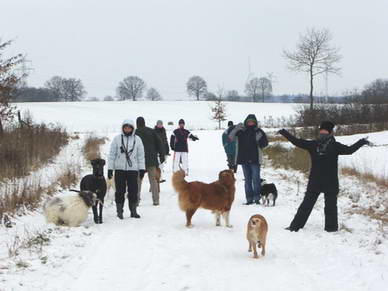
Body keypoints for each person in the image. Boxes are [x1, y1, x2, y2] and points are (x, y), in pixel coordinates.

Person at [278, 121, 370, 232]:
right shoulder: (313, 145)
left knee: (330, 207)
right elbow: (297, 142)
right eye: (321, 130)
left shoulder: (335, 146)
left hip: (330, 182)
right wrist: (285, 133)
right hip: (315, 181)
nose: (322, 132)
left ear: (330, 132)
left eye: (325, 131)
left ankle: (331, 229)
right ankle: (295, 226)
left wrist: (361, 142)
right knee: (306, 205)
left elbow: (349, 150)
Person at [108, 119, 145, 219]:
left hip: (133, 170)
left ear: (132, 128)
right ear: (123, 128)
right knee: (120, 191)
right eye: (125, 127)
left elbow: (141, 156)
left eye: (129, 127)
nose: (127, 129)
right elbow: (112, 155)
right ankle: (119, 212)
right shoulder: (117, 139)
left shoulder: (137, 140)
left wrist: (142, 169)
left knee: (133, 191)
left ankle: (133, 211)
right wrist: (110, 169)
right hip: (119, 169)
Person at [229, 114, 268, 205]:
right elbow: (230, 138)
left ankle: (257, 198)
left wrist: (259, 139)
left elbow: (265, 144)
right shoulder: (241, 131)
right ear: (246, 121)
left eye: (252, 121)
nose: (250, 123)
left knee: (256, 179)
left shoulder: (259, 131)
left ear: (255, 122)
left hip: (255, 159)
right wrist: (235, 128)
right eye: (249, 121)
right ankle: (249, 199)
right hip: (243, 159)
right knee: (247, 180)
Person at [135, 117, 165, 206]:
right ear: (144, 122)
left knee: (138, 181)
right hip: (152, 160)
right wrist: (162, 155)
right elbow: (159, 143)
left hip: (139, 161)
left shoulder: (135, 133)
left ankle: (136, 201)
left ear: (137, 123)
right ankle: (156, 200)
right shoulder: (152, 131)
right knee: (153, 180)